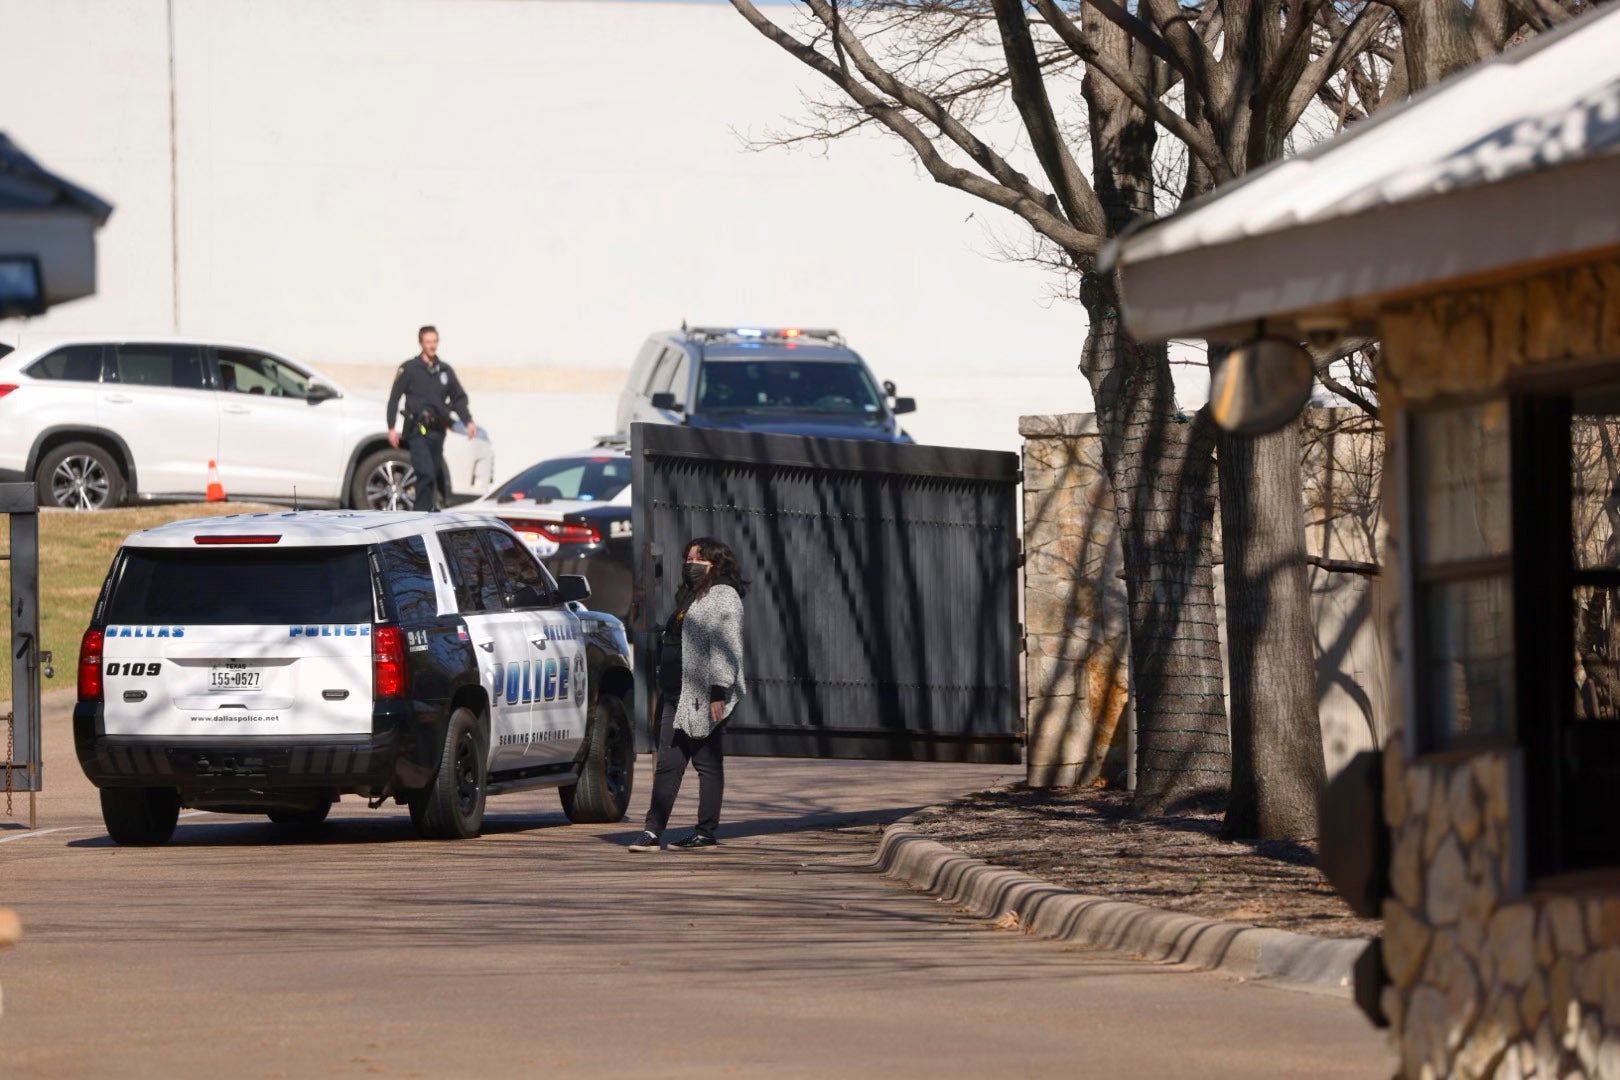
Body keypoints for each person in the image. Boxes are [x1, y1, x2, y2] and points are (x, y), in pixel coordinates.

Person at [629, 538, 747, 852]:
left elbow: (727, 647)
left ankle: (705, 832)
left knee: (707, 763)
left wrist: (719, 691)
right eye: (688, 559)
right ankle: (652, 831)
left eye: (697, 559)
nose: (689, 565)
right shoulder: (692, 596)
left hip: (705, 693)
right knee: (669, 763)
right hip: (676, 693)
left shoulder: (724, 597)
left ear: (715, 563)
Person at [385, 326, 476, 512]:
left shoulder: (444, 370)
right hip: (418, 431)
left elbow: (458, 397)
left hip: (438, 431)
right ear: (421, 343)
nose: (432, 346)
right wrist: (391, 427)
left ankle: (428, 512)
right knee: (425, 473)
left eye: (435, 341)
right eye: (428, 342)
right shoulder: (409, 368)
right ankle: (419, 514)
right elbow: (394, 398)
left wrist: (467, 420)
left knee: (433, 474)